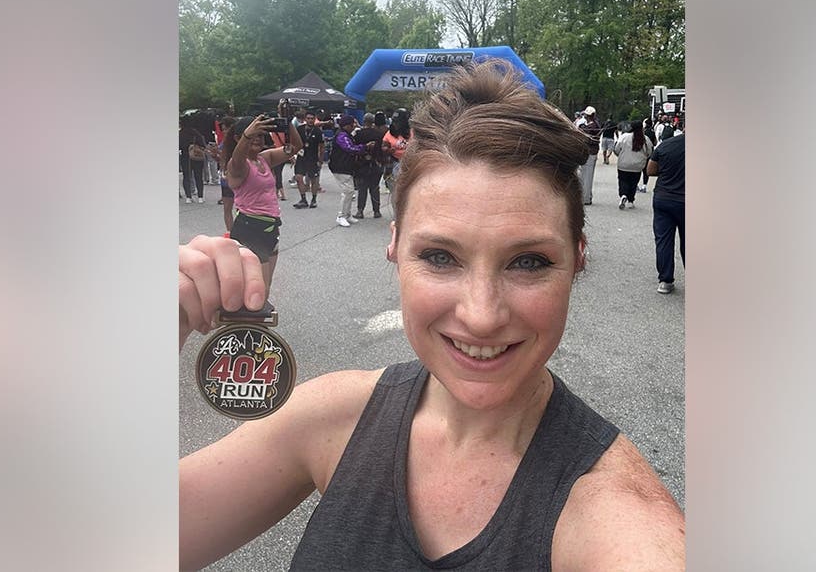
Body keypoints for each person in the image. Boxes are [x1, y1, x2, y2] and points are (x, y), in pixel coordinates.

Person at [177, 61, 685, 570]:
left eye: (528, 261)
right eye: (440, 257)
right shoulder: (333, 417)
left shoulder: (621, 520)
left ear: (578, 258)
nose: (482, 316)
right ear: (395, 245)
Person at [223, 113, 301, 296]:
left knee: (266, 287)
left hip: (270, 228)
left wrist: (287, 121)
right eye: (254, 135)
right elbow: (238, 158)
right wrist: (247, 135)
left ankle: (252, 324)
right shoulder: (237, 165)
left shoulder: (264, 158)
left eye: (260, 134)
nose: (257, 138)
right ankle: (245, 324)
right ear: (238, 138)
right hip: (251, 228)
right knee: (258, 290)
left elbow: (295, 147)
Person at [646, 117, 685, 294]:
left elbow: (650, 170)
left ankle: (665, 280)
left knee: (663, 240)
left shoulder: (666, 145)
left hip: (664, 198)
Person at [327, 113, 374, 228]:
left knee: (350, 191)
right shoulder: (342, 136)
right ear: (346, 125)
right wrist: (365, 147)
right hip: (340, 166)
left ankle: (347, 215)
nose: (354, 126)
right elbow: (350, 148)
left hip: (346, 166)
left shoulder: (347, 134)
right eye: (352, 124)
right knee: (347, 191)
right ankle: (341, 216)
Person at [612, 120, 653, 210]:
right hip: (637, 166)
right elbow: (649, 152)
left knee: (623, 181)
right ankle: (631, 200)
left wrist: (620, 155)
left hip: (624, 164)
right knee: (633, 183)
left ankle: (623, 195)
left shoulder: (624, 137)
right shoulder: (645, 139)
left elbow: (616, 149)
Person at [352, 112, 386, 219]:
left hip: (362, 164)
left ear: (364, 121)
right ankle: (376, 211)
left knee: (362, 189)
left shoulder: (358, 134)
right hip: (376, 163)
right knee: (375, 188)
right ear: (373, 122)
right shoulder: (379, 135)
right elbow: (382, 150)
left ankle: (360, 211)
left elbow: (354, 149)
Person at [291, 111, 324, 210]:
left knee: (313, 180)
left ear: (314, 119)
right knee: (298, 177)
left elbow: (322, 147)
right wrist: (293, 155)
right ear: (305, 119)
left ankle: (314, 199)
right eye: (308, 118)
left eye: (312, 118)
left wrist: (320, 160)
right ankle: (303, 199)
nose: (310, 120)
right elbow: (294, 142)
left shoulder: (318, 131)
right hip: (301, 157)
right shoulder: (300, 129)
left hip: (313, 158)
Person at [574, 106, 601, 205]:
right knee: (584, 175)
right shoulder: (590, 124)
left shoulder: (593, 125)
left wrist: (581, 129)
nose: (586, 116)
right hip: (587, 152)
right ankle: (586, 196)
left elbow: (587, 135)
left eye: (587, 115)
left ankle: (586, 198)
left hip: (590, 152)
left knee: (587, 176)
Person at [382, 106, 411, 193]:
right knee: (396, 190)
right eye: (394, 122)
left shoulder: (413, 132)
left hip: (409, 163)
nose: (395, 124)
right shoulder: (390, 132)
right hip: (395, 162)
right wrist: (388, 150)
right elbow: (384, 146)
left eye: (398, 122)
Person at [180, 126, 207, 204]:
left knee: (186, 177)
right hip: (197, 157)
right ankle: (200, 197)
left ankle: (188, 197)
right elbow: (203, 145)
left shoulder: (181, 133)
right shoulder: (196, 133)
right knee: (198, 177)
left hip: (185, 157)